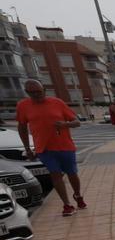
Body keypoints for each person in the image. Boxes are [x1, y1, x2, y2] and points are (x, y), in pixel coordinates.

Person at [16, 79, 86, 216]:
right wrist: (28, 148)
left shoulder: (57, 103)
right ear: (27, 92)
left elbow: (77, 122)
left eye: (38, 92)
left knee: (72, 174)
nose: (36, 95)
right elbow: (22, 127)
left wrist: (65, 125)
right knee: (55, 174)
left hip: (65, 146)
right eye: (32, 93)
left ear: (44, 90)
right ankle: (67, 204)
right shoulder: (23, 106)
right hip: (44, 148)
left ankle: (77, 195)